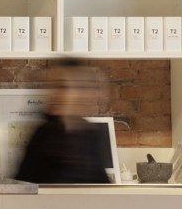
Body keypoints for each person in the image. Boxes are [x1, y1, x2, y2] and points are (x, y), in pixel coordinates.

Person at [11, 56, 116, 185]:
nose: (54, 93)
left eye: (62, 86)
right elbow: (23, 189)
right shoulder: (46, 135)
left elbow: (100, 186)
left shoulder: (89, 133)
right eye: (53, 86)